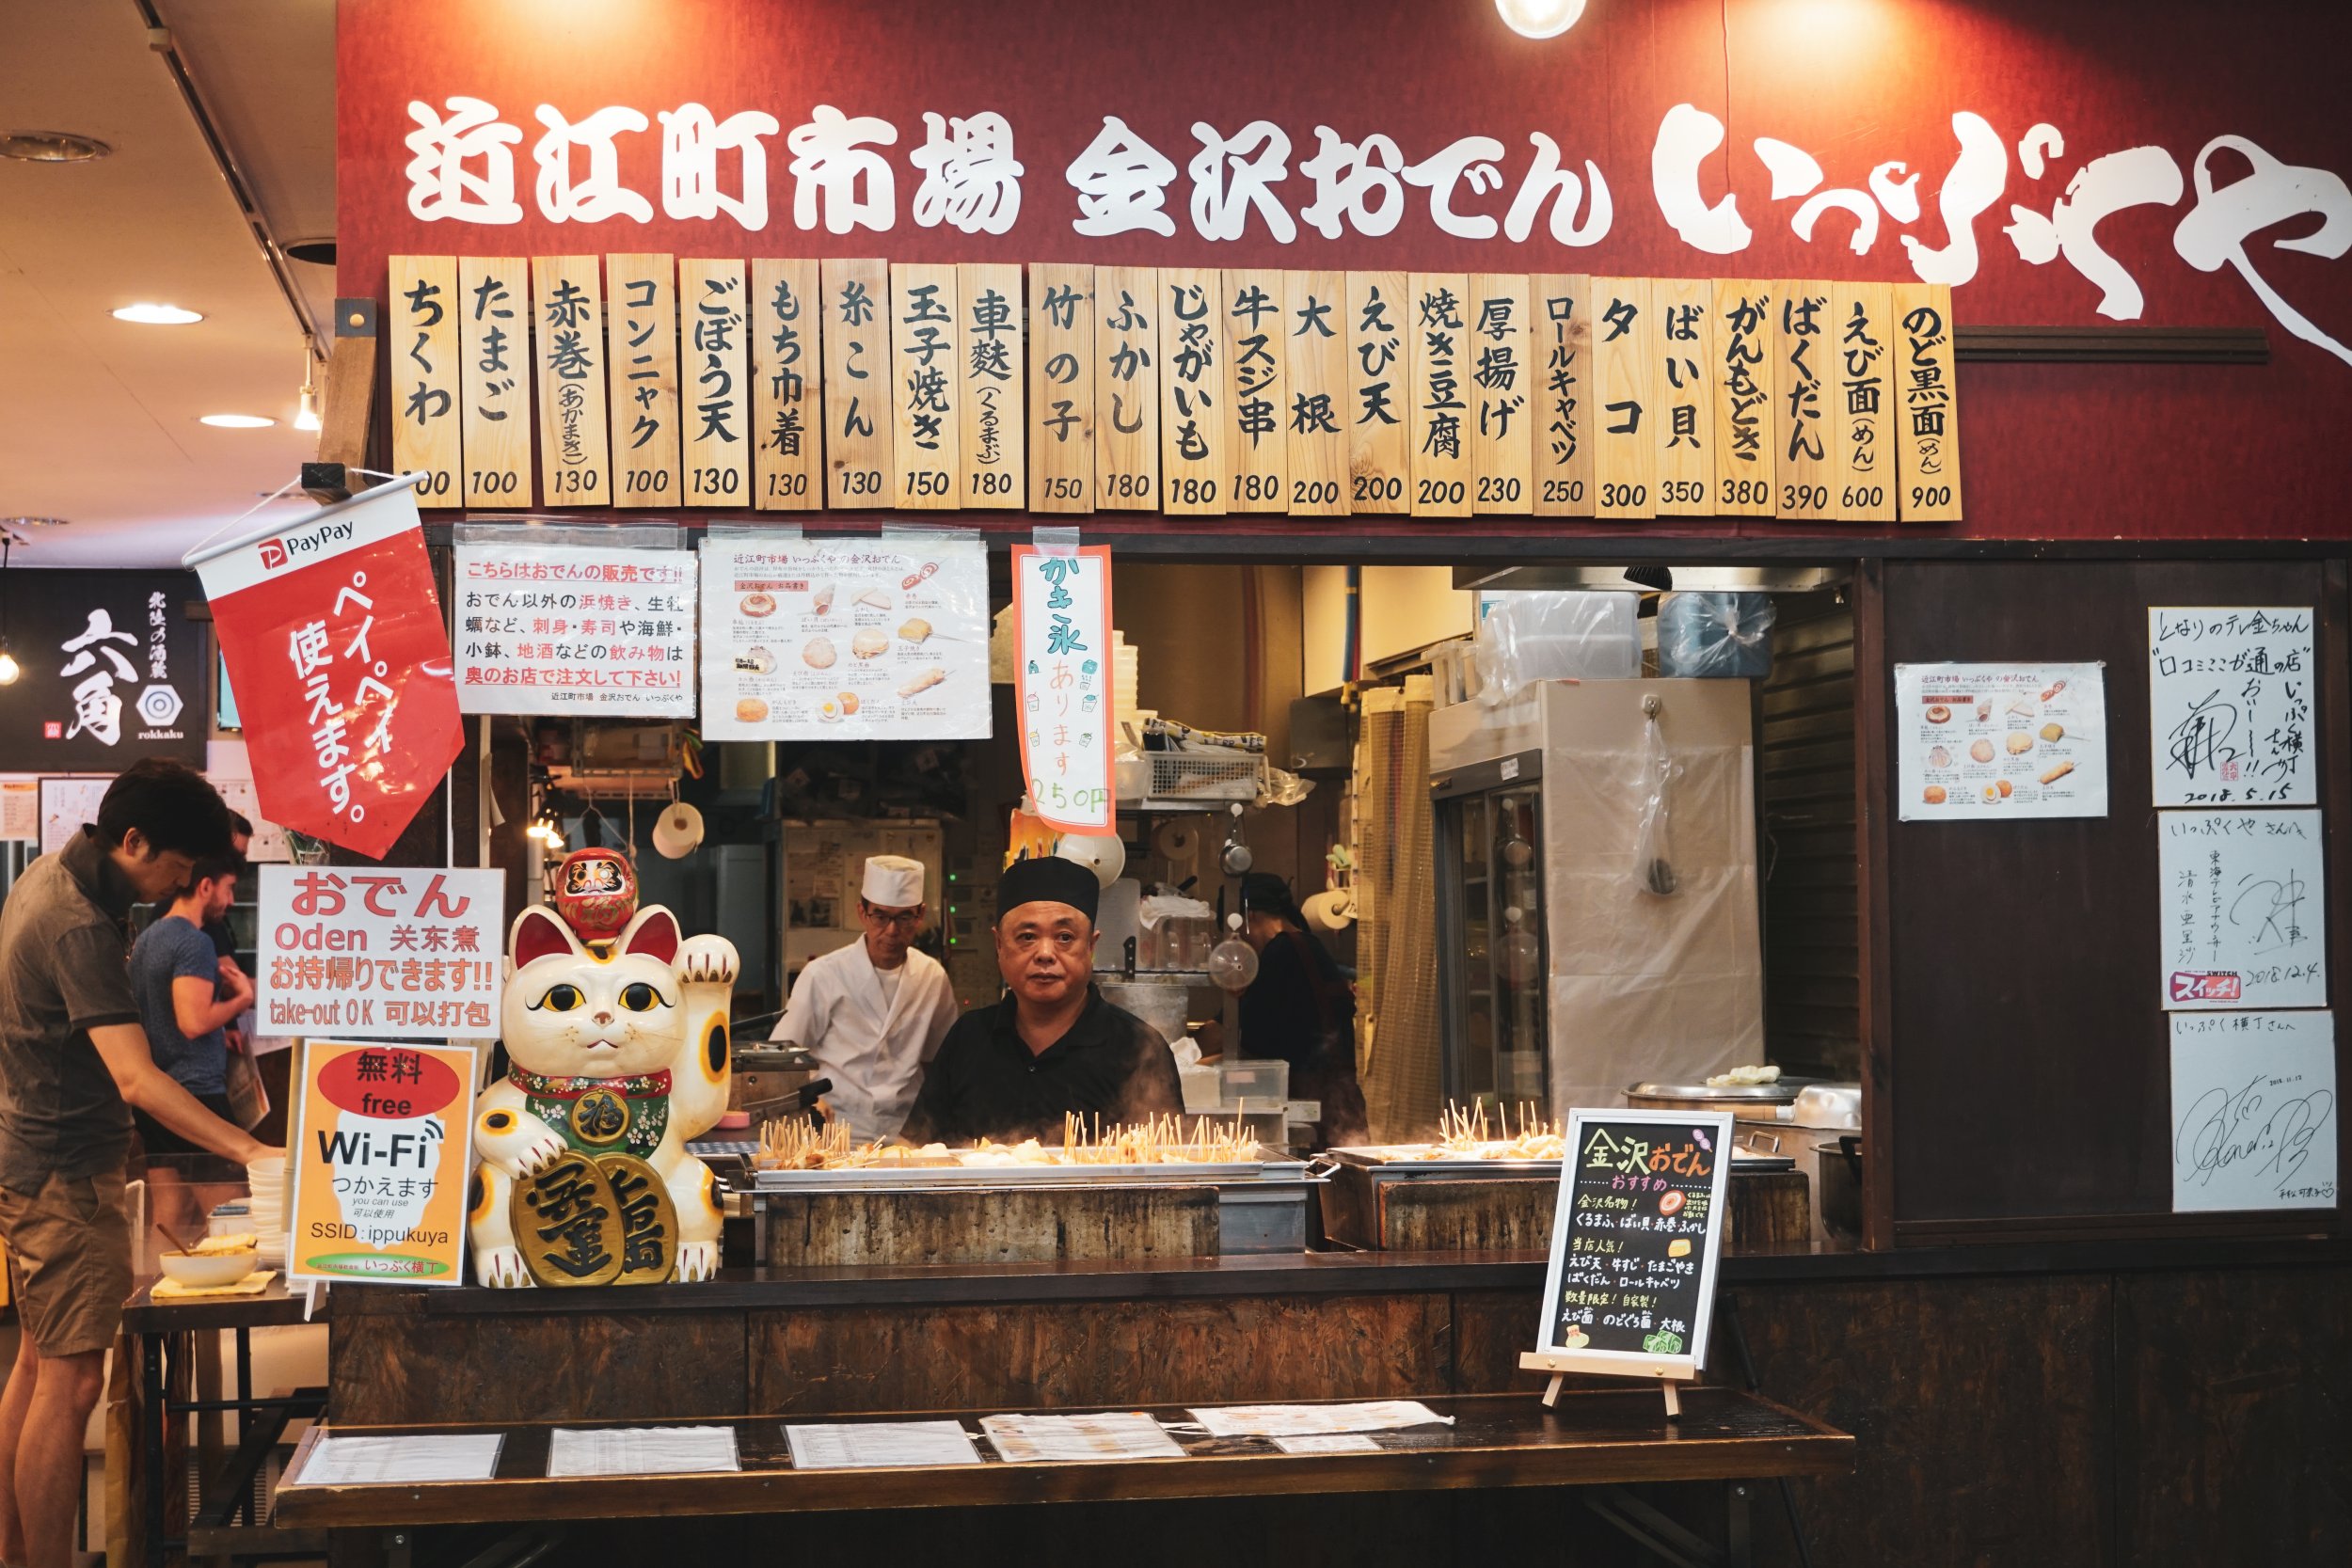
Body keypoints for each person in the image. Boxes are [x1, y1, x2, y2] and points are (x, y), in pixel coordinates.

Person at [0, 760, 280, 1568]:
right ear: (132, 840)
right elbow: (135, 1076)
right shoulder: (78, 922)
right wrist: (251, 1149)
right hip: (62, 1168)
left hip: (37, 1155)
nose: (181, 884)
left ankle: (19, 1554)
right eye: (178, 867)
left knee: (36, 1364)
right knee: (71, 1385)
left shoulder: (57, 873)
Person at [902, 855, 1181, 1143]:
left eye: (1064, 937)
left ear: (1091, 946)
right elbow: (916, 1149)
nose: (1045, 953)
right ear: (999, 945)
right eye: (1027, 937)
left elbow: (1169, 1170)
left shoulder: (1137, 1048)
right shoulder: (967, 1038)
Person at [768, 855, 960, 1140]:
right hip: (835, 1127)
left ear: (919, 915)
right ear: (862, 912)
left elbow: (941, 1061)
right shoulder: (823, 974)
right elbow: (782, 1058)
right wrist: (809, 1098)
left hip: (906, 1131)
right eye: (880, 916)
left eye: (904, 917)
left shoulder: (932, 977)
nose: (892, 930)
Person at [129, 851, 255, 1232]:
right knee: (231, 1215)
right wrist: (242, 999)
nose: (231, 901)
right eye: (229, 889)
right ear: (205, 886)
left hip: (158, 1094)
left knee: (172, 1214)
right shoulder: (194, 942)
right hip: (197, 1094)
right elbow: (193, 1022)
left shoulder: (148, 938)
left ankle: (154, 1291)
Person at [1234, 872, 1368, 1147]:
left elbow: (1243, 1032)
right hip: (1338, 1101)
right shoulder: (1307, 945)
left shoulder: (1282, 951)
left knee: (1328, 1181)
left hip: (1320, 1105)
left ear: (1252, 915)